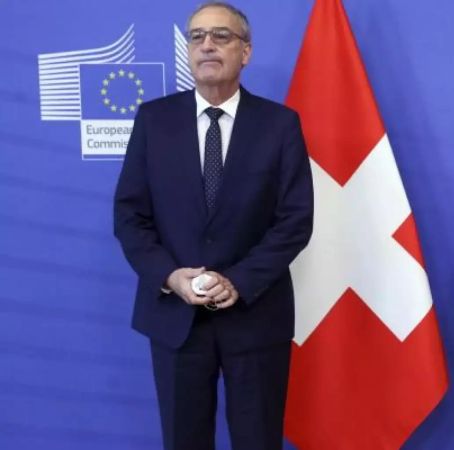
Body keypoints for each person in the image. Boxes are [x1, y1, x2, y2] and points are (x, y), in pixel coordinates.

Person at [113, 2, 313, 449]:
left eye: (221, 36)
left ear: (245, 52)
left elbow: (295, 219)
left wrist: (238, 281)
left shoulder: (280, 125)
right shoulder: (154, 120)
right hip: (174, 317)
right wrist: (169, 275)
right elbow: (130, 215)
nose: (206, 45)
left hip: (255, 315)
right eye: (197, 36)